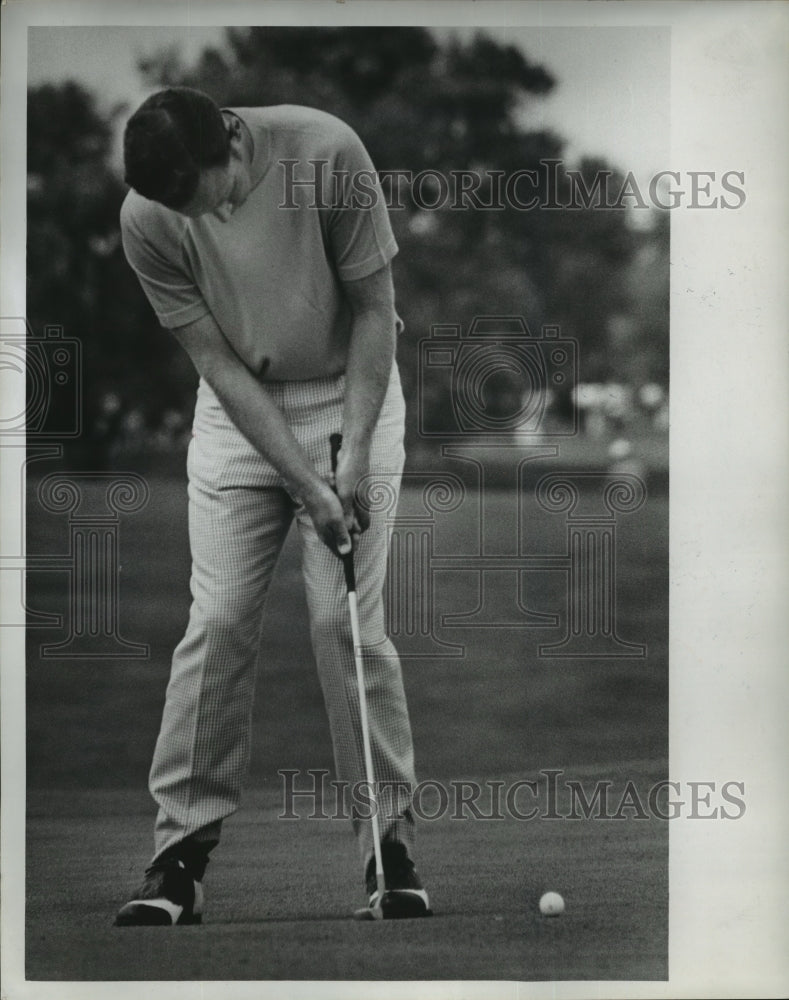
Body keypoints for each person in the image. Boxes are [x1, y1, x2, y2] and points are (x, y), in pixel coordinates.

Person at [114, 86, 429, 924]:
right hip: (238, 414)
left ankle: (387, 852)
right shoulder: (149, 218)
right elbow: (217, 365)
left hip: (349, 394)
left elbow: (374, 312)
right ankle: (178, 859)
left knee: (343, 625)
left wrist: (352, 457)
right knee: (216, 622)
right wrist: (303, 482)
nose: (202, 216)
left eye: (205, 192)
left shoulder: (327, 152)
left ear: (231, 140)